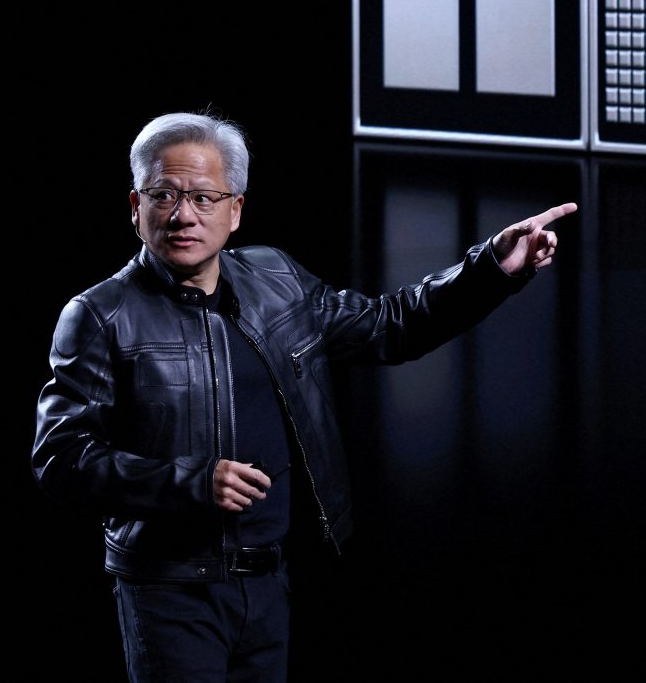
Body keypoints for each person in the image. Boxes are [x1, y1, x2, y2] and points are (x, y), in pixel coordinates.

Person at [32, 110, 576, 681]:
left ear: (235, 209)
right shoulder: (100, 315)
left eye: (204, 197)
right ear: (135, 207)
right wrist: (192, 481)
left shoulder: (275, 279)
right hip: (170, 588)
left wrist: (491, 267)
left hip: (270, 581)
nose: (183, 215)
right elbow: (60, 458)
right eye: (164, 195)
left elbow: (388, 326)